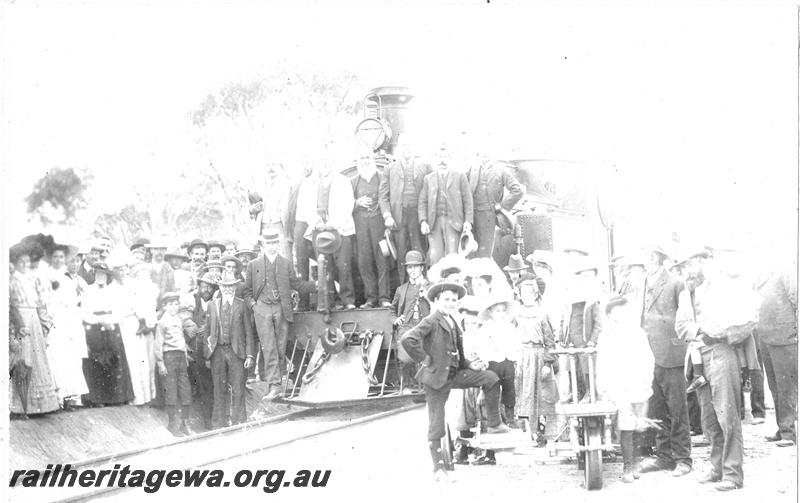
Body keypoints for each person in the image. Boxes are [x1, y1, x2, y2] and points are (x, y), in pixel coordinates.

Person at [401, 281, 510, 482]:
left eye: (453, 300)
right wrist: (425, 358)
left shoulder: (453, 320)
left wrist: (470, 365)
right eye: (446, 300)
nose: (450, 303)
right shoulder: (431, 320)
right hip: (436, 379)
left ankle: (495, 422)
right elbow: (408, 339)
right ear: (436, 301)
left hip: (455, 374)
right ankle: (438, 468)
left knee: (491, 379)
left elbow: (457, 352)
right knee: (436, 423)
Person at [675, 249, 758, 491]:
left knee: (727, 415)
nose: (687, 270)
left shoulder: (725, 287)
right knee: (708, 418)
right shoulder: (684, 295)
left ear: (703, 262)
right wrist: (701, 330)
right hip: (697, 356)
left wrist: (724, 333)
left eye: (691, 263)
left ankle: (733, 474)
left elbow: (750, 319)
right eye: (684, 266)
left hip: (722, 353)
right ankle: (716, 467)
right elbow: (681, 327)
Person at [638, 247, 692, 477]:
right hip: (649, 355)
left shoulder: (676, 283)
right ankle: (664, 457)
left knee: (677, 408)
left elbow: (686, 319)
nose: (648, 259)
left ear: (660, 259)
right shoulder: (642, 283)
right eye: (645, 256)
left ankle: (683, 459)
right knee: (657, 408)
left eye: (652, 256)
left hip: (672, 355)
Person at [243, 230, 315, 399]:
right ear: (263, 245)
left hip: (281, 308)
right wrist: (254, 305)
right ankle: (274, 386)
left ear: (278, 244)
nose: (272, 246)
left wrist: (317, 285)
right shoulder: (253, 265)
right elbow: (247, 290)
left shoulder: (285, 263)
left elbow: (297, 284)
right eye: (269, 243)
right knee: (268, 347)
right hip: (262, 309)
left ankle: (276, 384)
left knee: (280, 347)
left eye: (275, 242)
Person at [596, 295, 655, 483]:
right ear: (609, 315)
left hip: (638, 383)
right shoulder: (606, 336)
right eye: (614, 312)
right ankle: (628, 466)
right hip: (619, 385)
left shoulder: (638, 333)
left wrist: (647, 379)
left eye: (622, 311)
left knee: (639, 425)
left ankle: (637, 463)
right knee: (626, 424)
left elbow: (648, 358)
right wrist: (603, 386)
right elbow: (602, 363)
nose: (618, 316)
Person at [9, 244, 60, 415]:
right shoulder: (10, 281)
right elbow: (9, 306)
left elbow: (40, 304)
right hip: (20, 321)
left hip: (34, 321)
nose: (24, 265)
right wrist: (14, 328)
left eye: (27, 262)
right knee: (23, 360)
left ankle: (41, 405)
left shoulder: (32, 280)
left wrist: (45, 325)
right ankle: (21, 407)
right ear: (14, 263)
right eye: (20, 262)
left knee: (38, 361)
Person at [203, 272, 256, 428]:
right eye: (225, 286)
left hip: (236, 351)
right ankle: (218, 423)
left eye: (231, 286)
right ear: (220, 286)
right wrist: (208, 352)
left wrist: (250, 355)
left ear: (235, 287)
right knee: (218, 388)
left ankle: (239, 421)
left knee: (238, 387)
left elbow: (248, 331)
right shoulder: (212, 305)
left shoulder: (242, 304)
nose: (228, 289)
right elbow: (207, 331)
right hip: (218, 351)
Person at [81, 262, 135, 406]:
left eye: (103, 275)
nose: (100, 277)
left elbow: (119, 310)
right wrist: (98, 320)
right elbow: (85, 312)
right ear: (94, 275)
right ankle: (99, 398)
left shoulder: (113, 291)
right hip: (95, 327)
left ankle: (117, 397)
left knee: (115, 358)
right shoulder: (88, 291)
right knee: (97, 360)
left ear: (107, 276)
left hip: (111, 325)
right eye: (98, 274)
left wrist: (110, 320)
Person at [755, 263, 797, 447]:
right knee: (774, 386)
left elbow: (796, 299)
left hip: (785, 338)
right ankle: (782, 428)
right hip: (765, 337)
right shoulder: (760, 274)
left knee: (786, 386)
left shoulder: (784, 271)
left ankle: (789, 432)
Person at [514, 273, 558, 445]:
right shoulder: (516, 314)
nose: (527, 296)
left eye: (530, 293)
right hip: (523, 355)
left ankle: (542, 432)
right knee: (526, 393)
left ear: (536, 294)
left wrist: (548, 363)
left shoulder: (542, 313)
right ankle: (529, 432)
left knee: (543, 393)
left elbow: (549, 340)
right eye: (524, 293)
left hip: (539, 355)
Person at [379, 137, 431, 283]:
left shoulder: (424, 167)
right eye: (403, 145)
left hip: (418, 215)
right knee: (401, 253)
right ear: (398, 148)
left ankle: (422, 286)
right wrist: (387, 215)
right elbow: (383, 196)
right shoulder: (389, 169)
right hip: (398, 217)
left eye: (409, 145)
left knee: (419, 250)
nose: (406, 148)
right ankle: (403, 288)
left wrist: (425, 218)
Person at [45, 244, 90, 407]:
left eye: (61, 257)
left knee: (73, 360)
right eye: (55, 257)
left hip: (72, 323)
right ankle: (58, 400)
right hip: (56, 322)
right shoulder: (51, 277)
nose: (75, 264)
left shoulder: (76, 281)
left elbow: (80, 304)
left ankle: (71, 398)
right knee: (57, 359)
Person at [109, 253, 156, 406]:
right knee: (129, 361)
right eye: (119, 270)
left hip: (135, 323)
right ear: (113, 272)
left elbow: (143, 303)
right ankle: (133, 396)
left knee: (141, 359)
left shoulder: (133, 284)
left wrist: (143, 317)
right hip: (121, 326)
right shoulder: (111, 288)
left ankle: (145, 396)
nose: (122, 273)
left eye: (124, 269)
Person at [310, 159, 356, 309]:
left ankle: (348, 300)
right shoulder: (313, 183)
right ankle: (329, 301)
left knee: (343, 266)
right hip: (320, 231)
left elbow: (348, 204)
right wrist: (316, 222)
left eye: (327, 161)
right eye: (322, 162)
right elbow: (307, 206)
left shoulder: (343, 181)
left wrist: (334, 223)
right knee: (325, 267)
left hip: (340, 230)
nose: (325, 165)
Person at [418, 145, 474, 266]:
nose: (442, 160)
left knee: (453, 257)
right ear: (435, 159)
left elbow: (468, 201)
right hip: (434, 224)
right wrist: (423, 221)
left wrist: (468, 222)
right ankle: (436, 284)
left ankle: (453, 284)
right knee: (435, 257)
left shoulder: (460, 176)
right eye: (439, 157)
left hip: (454, 223)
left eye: (445, 157)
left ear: (450, 158)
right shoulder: (428, 179)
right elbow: (422, 202)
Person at [352, 150, 391, 308]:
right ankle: (371, 298)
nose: (365, 160)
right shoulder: (354, 181)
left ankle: (384, 297)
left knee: (382, 260)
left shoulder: (382, 176)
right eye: (362, 157)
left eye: (367, 157)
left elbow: (389, 198)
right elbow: (346, 202)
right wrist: (357, 202)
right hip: (361, 226)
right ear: (358, 161)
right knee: (365, 261)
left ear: (373, 159)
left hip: (379, 225)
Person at [560, 260, 603, 402]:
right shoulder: (570, 300)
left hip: (585, 342)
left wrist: (592, 341)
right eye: (582, 276)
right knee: (572, 367)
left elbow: (598, 323)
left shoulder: (592, 301)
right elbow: (564, 320)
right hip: (572, 341)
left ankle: (590, 392)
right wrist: (562, 337)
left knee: (587, 368)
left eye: (588, 277)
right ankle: (575, 391)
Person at [466, 154, 523, 258]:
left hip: (488, 217)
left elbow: (518, 190)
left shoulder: (501, 170)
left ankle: (484, 273)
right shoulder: (473, 168)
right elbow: (462, 186)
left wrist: (502, 207)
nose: (485, 155)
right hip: (471, 216)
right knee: (468, 250)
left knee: (484, 253)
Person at [390, 250, 431, 392]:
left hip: (425, 326)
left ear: (422, 268)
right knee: (405, 357)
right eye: (409, 267)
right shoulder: (401, 289)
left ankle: (427, 386)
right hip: (406, 326)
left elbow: (438, 307)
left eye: (415, 266)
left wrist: (428, 297)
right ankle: (406, 386)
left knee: (428, 355)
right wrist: (396, 319)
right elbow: (392, 309)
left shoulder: (431, 287)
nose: (412, 270)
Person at [155, 292, 194, 436]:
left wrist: (184, 356)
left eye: (176, 304)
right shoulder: (162, 322)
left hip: (180, 357)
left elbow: (182, 340)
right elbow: (158, 344)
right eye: (170, 304)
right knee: (171, 391)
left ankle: (184, 423)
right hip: (169, 357)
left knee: (185, 390)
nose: (173, 307)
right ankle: (172, 424)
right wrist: (161, 363)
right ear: (164, 306)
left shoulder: (178, 320)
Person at [190, 272, 218, 429]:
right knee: (203, 385)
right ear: (199, 286)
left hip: (213, 349)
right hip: (196, 351)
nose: (207, 289)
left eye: (210, 287)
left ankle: (216, 418)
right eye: (204, 286)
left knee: (215, 384)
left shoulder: (217, 302)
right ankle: (207, 419)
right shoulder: (192, 301)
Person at [249, 163, 294, 261]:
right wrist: (252, 210)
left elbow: (289, 210)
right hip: (263, 225)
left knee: (283, 255)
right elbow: (250, 208)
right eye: (268, 164)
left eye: (274, 164)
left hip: (280, 225)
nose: (271, 168)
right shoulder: (258, 185)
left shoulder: (286, 185)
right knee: (265, 257)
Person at [290, 161, 319, 310]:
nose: (306, 167)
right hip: (300, 224)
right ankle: (303, 302)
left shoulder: (320, 180)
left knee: (324, 261)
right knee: (301, 267)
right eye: (303, 163)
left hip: (316, 222)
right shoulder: (297, 183)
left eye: (309, 162)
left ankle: (328, 298)